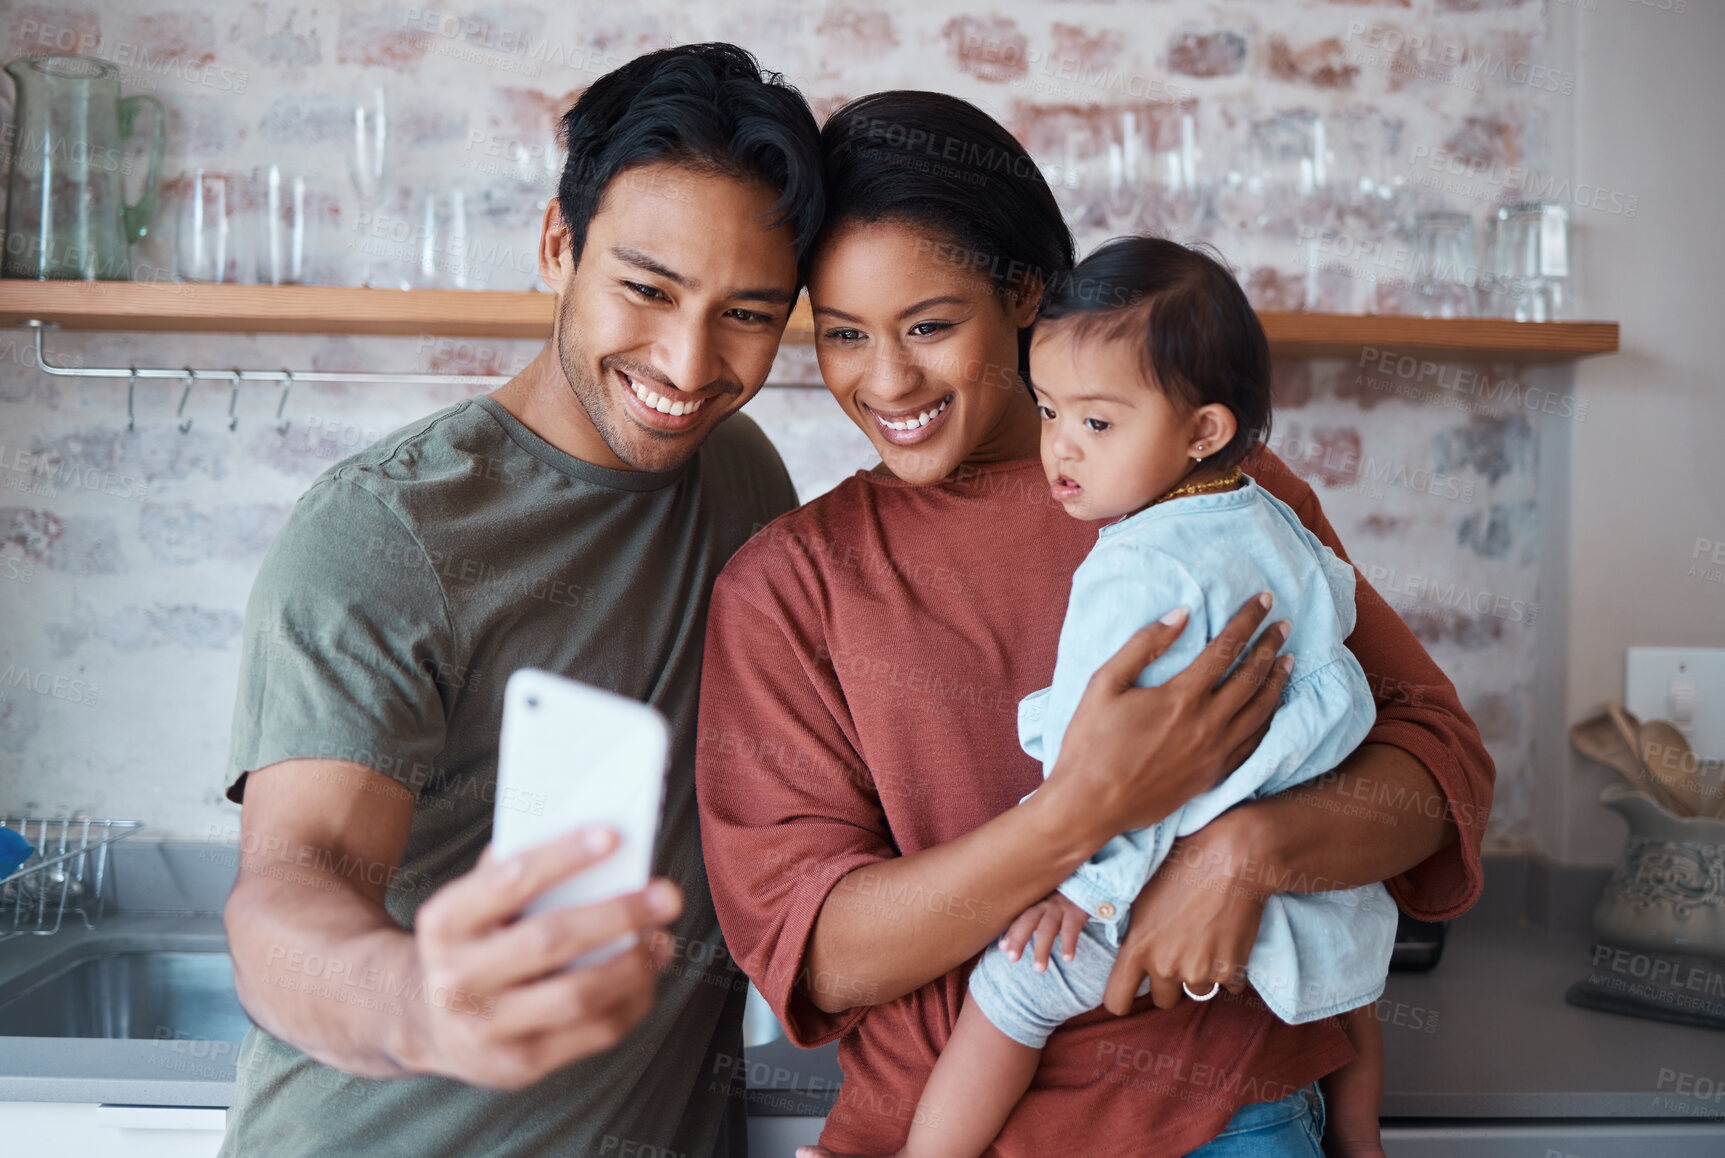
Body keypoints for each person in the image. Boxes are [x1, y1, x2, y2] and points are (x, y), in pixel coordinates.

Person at [697, 91, 1494, 1158]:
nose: (886, 379)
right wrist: (1085, 811)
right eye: (843, 335)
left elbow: (1441, 768)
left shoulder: (1222, 496)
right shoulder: (790, 586)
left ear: (1025, 293)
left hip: (1232, 1118)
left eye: (931, 325)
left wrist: (1245, 852)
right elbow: (819, 952)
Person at [217, 44, 821, 1158]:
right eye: (647, 289)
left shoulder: (744, 479)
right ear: (558, 246)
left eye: (748, 313)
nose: (689, 363)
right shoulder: (384, 534)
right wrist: (417, 1002)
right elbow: (286, 890)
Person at [800, 235, 1396, 1158]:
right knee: (1347, 993)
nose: (1060, 452)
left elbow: (1109, 762)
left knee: (1011, 991)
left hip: (1152, 887)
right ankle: (1359, 1142)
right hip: (1306, 897)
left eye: (1097, 425)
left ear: (1201, 430)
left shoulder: (1133, 564)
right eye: (1050, 414)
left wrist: (1083, 888)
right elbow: (1342, 625)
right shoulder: (1268, 512)